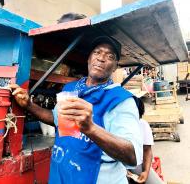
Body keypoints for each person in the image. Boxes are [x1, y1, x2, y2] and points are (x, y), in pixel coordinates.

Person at [10, 35, 143, 184]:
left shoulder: (120, 100)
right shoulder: (71, 88)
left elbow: (133, 156)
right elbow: (55, 119)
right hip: (62, 175)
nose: (101, 58)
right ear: (89, 58)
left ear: (115, 66)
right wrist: (28, 105)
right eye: (97, 52)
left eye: (110, 56)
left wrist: (90, 128)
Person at [127, 97, 164, 184]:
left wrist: (146, 172)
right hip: (117, 166)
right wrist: (123, 171)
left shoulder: (142, 124)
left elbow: (147, 150)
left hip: (137, 165)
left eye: (138, 118)